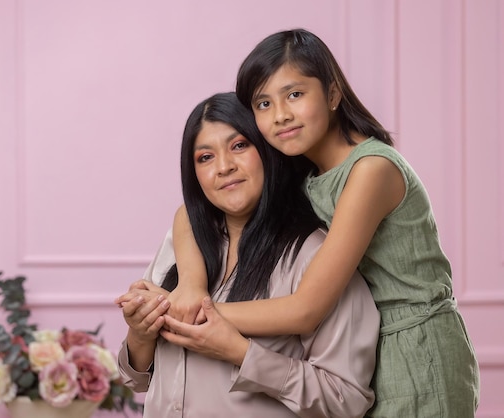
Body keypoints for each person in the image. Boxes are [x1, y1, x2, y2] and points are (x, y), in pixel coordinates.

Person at [167, 29, 480, 417]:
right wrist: (191, 285)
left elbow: (306, 309)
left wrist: (195, 311)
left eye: (294, 94)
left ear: (332, 95)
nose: (281, 114)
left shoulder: (371, 170)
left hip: (415, 347)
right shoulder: (301, 169)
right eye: (263, 103)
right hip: (360, 345)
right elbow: (190, 213)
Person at [116, 92, 379, 417]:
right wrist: (140, 334)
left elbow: (346, 400)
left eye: (239, 146)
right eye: (205, 157)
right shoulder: (180, 245)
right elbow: (136, 379)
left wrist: (241, 353)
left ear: (269, 151)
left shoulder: (316, 256)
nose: (224, 167)